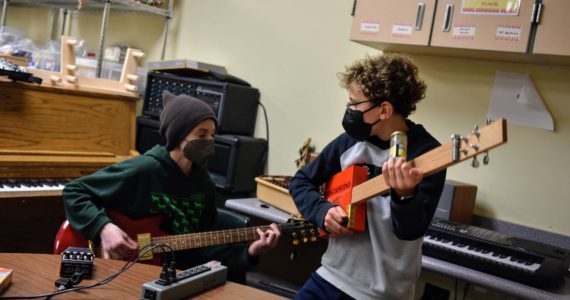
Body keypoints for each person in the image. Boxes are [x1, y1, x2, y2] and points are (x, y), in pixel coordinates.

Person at [63, 91, 280, 282]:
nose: (209, 141)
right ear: (178, 136)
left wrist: (250, 251)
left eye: (212, 135)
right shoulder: (144, 168)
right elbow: (75, 191)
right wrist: (104, 228)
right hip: (119, 269)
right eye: (201, 134)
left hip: (168, 275)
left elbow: (203, 245)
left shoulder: (204, 184)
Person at [289, 53, 446, 300]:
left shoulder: (426, 154)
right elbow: (300, 181)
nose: (349, 110)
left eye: (354, 103)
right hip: (331, 274)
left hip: (381, 293)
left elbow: (410, 230)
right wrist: (322, 212)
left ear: (384, 110)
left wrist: (405, 196)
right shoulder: (349, 142)